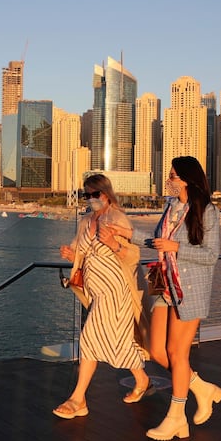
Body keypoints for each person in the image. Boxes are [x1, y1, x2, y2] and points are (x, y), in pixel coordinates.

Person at [53, 174, 152, 419]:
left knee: (88, 338)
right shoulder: (86, 220)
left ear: (105, 194)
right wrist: (71, 255)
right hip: (95, 289)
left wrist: (113, 243)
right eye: (86, 195)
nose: (89, 199)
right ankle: (142, 378)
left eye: (93, 194)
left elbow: (133, 254)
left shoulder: (117, 217)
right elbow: (81, 252)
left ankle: (78, 399)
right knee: (117, 340)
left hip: (114, 289)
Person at [144, 156, 221, 441]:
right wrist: (125, 237)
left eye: (174, 176)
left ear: (188, 179)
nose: (169, 180)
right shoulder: (171, 207)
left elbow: (211, 255)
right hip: (165, 286)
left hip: (189, 290)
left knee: (178, 354)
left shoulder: (207, 211)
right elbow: (157, 241)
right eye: (170, 175)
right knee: (156, 352)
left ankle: (176, 417)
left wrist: (175, 247)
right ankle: (202, 388)